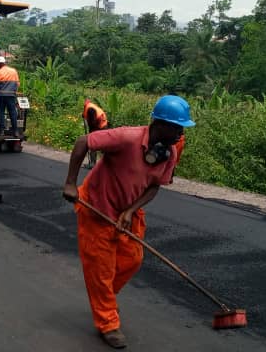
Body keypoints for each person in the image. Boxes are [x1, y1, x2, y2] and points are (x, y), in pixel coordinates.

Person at [61, 95, 195, 349]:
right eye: (176, 128)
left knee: (132, 260)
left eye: (182, 129)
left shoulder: (170, 153)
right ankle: (108, 323)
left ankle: (105, 299)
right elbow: (83, 143)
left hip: (127, 212)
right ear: (160, 124)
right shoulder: (126, 137)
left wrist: (132, 210)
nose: (179, 134)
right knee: (100, 271)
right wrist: (70, 182)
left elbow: (155, 186)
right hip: (97, 208)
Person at [0, 56, 20, 136]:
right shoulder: (13, 71)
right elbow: (18, 83)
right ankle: (15, 131)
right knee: (12, 112)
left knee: (1, 112)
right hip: (11, 95)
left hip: (1, 96)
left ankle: (2, 131)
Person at [82, 98, 109, 168]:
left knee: (93, 144)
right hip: (102, 124)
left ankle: (93, 164)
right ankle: (102, 164)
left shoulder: (90, 109)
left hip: (100, 126)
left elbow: (93, 122)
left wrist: (91, 132)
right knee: (101, 145)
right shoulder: (89, 107)